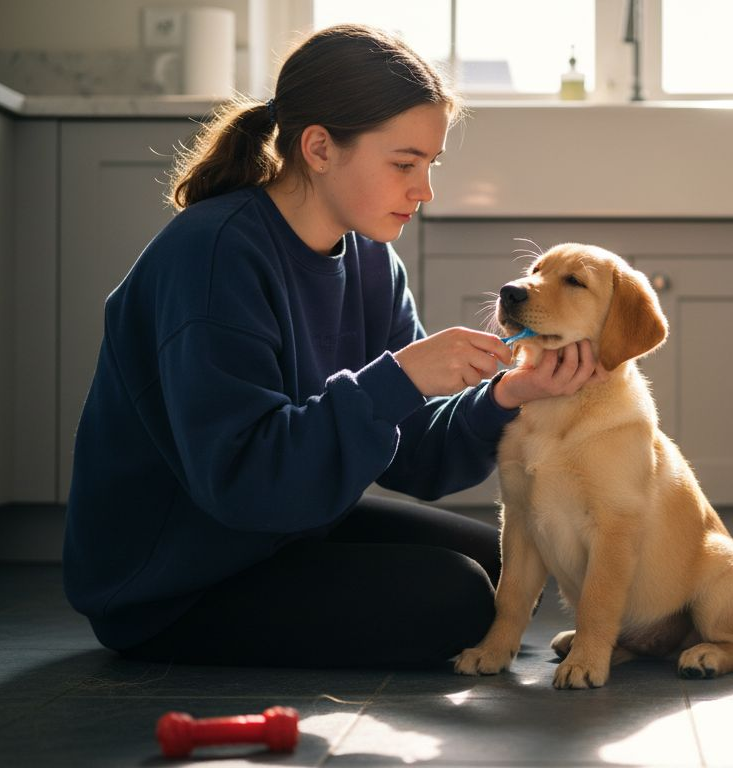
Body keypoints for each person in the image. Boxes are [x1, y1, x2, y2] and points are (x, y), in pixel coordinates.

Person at [62, 24, 598, 668]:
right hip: (176, 576)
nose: (423, 190)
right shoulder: (212, 255)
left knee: (506, 568)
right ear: (318, 147)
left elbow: (418, 457)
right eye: (404, 164)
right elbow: (242, 481)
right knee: (459, 600)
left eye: (430, 165)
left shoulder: (372, 260)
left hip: (285, 529)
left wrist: (508, 394)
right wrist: (399, 376)